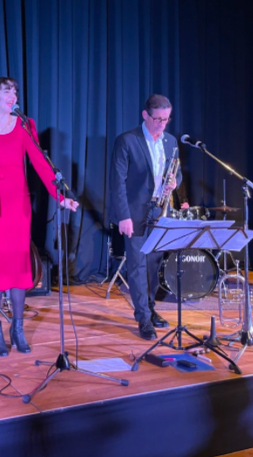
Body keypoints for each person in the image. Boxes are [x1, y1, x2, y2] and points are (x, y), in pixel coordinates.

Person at [0, 78, 78, 356]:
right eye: (7, 91)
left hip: (17, 206)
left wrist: (61, 197)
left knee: (18, 267)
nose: (13, 95)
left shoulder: (25, 125)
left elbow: (41, 164)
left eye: (15, 91)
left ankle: (17, 328)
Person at [109, 94, 182, 340]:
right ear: (145, 115)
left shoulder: (171, 142)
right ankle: (143, 317)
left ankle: (149, 308)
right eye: (157, 119)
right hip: (134, 211)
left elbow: (177, 173)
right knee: (137, 265)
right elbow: (117, 182)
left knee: (154, 264)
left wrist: (174, 182)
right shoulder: (127, 140)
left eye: (166, 119)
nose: (162, 124)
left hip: (159, 210)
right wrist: (124, 216)